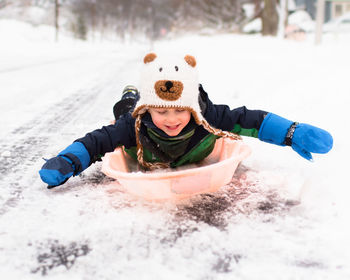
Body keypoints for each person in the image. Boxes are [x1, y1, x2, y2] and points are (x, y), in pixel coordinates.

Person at [39, 53, 333, 188]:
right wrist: (69, 160)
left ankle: (134, 96)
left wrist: (291, 132)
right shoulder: (135, 125)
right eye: (161, 111)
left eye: (180, 110)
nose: (172, 119)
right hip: (134, 117)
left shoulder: (208, 116)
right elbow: (96, 141)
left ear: (193, 108)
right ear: (148, 112)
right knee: (123, 113)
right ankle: (132, 96)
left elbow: (249, 119)